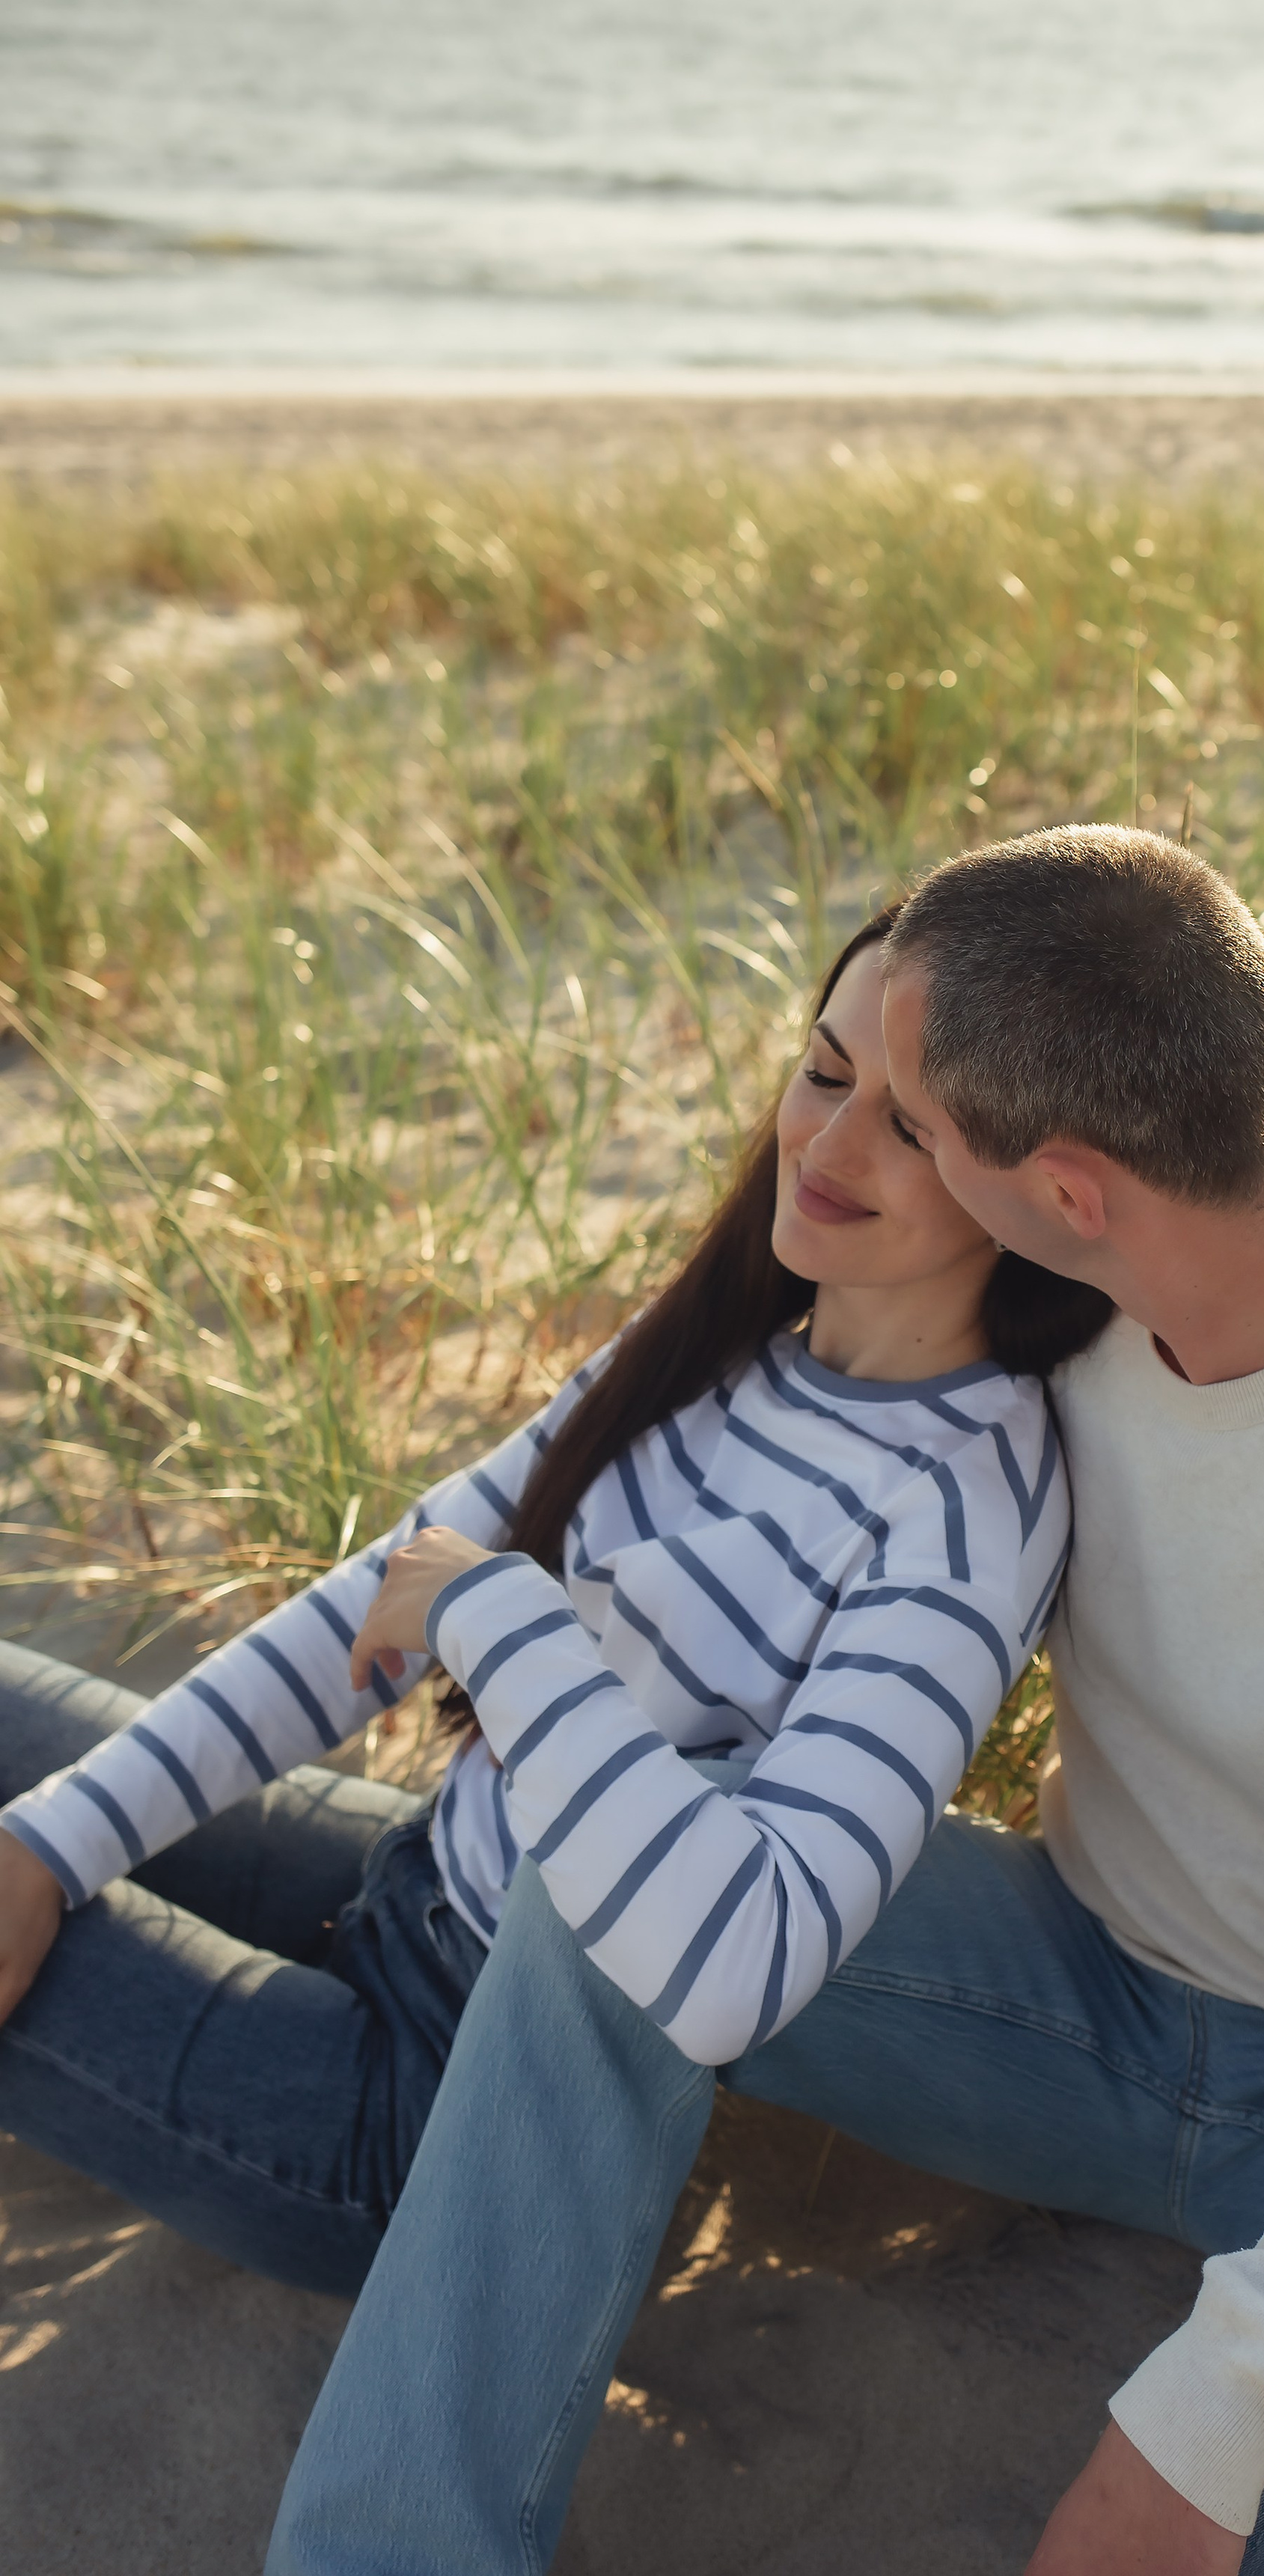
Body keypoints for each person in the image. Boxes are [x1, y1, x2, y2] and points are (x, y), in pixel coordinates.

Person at [262, 822, 1264, 2576]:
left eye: (912, 1122)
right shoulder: (1088, 1294)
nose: (841, 1145)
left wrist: (1213, 2417)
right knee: (650, 1863)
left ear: (1061, 1190)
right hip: (1071, 1993)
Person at [0, 905, 1107, 2296]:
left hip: (438, 2110)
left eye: (912, 1128)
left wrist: (498, 1620)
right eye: (825, 1074)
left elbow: (742, 1959)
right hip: (408, 1877)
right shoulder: (734, 1335)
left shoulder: (965, 1504)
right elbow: (373, 1600)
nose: (824, 1149)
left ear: (1019, 1185)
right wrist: (48, 1850)